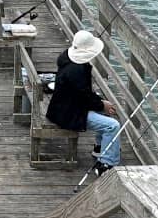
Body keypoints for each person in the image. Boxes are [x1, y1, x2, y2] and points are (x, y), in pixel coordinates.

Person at [45, 30, 122, 180]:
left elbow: (82, 94)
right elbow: (85, 97)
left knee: (104, 113)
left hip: (61, 107)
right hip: (68, 114)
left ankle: (100, 149)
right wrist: (102, 104)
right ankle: (106, 165)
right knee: (113, 126)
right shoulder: (77, 71)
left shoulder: (66, 58)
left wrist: (100, 104)